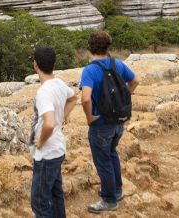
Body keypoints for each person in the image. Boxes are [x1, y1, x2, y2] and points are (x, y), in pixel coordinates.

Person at [79, 31, 140, 213]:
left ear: (90, 48)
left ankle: (109, 200)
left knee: (103, 161)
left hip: (101, 125)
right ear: (108, 47)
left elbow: (85, 98)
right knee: (112, 154)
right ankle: (117, 190)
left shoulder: (89, 70)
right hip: (118, 122)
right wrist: (125, 96)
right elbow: (136, 80)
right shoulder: (118, 64)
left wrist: (90, 117)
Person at [29, 47, 78, 218]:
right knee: (56, 194)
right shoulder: (58, 83)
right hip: (58, 149)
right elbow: (73, 98)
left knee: (40, 202)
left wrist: (41, 141)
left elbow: (48, 124)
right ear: (53, 64)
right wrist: (61, 118)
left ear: (35, 65)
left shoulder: (43, 92)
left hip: (47, 153)